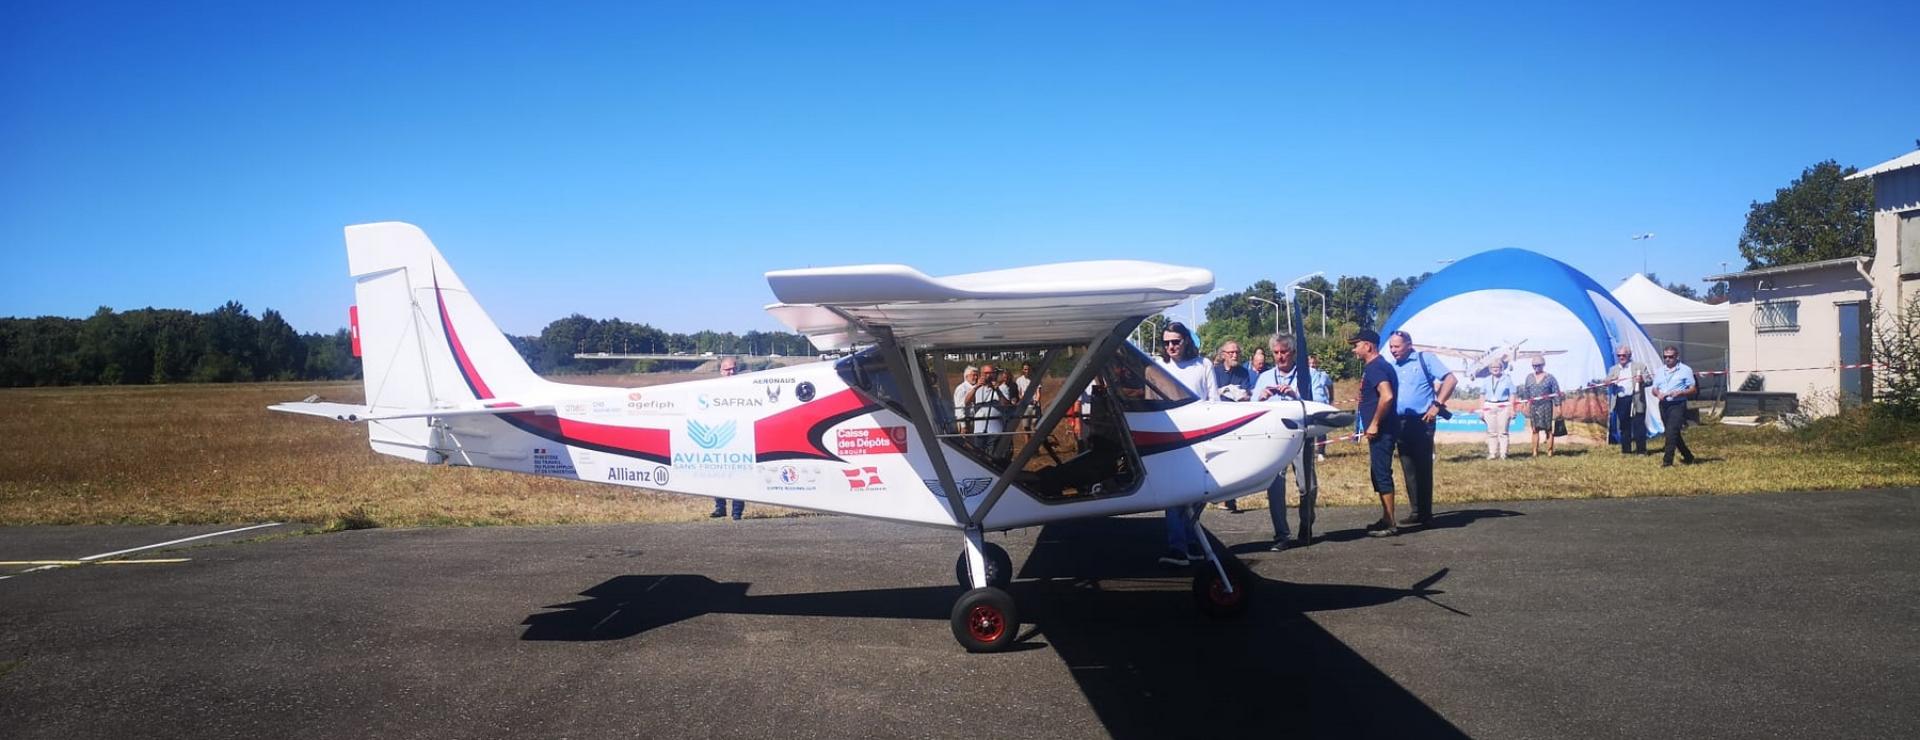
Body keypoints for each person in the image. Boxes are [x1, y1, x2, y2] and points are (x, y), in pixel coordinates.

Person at [1156, 321, 1216, 565]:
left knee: (1198, 494)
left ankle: (1191, 540)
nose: (1171, 347)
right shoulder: (1159, 367)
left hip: (1199, 438)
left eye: (1176, 342)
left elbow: (1214, 400)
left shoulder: (1203, 365)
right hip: (1170, 440)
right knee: (1174, 497)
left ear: (1186, 341)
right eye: (1167, 342)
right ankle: (1178, 547)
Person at [1385, 331, 1455, 529]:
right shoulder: (1392, 366)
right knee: (1408, 469)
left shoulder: (1425, 359)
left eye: (1396, 346)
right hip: (1400, 422)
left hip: (1422, 421)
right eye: (1391, 346)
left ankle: (1426, 513)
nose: (1393, 350)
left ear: (1408, 344)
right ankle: (1416, 512)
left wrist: (1437, 404)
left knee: (1423, 467)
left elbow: (1450, 380)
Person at [1252, 335, 1311, 546]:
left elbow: (1320, 404)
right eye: (1276, 353)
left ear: (1293, 353)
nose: (1279, 356)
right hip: (1275, 438)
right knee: (1275, 486)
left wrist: (1297, 396)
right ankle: (1281, 534)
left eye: (1284, 352)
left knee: (1307, 486)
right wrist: (1260, 398)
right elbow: (1252, 407)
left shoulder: (1307, 376)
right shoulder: (1265, 377)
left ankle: (1306, 526)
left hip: (1301, 435)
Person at [1350, 330, 1400, 537]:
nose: (1354, 349)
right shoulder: (1377, 366)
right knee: (1377, 473)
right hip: (1382, 429)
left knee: (1381, 473)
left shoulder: (1376, 367)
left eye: (1356, 345)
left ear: (1368, 346)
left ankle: (1390, 524)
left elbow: (1387, 396)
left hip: (1383, 430)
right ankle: (1386, 518)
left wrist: (1374, 424)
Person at [711, 357, 747, 520]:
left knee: (739, 475)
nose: (730, 372)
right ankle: (720, 507)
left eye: (733, 369)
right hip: (719, 437)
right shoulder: (712, 390)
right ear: (721, 371)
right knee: (717, 473)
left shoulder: (744, 389)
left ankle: (737, 512)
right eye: (727, 370)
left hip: (739, 437)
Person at [1652, 346, 1698, 467]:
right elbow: (1654, 389)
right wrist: (1658, 394)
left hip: (1677, 404)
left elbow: (1693, 389)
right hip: (1663, 404)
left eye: (1670, 357)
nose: (1668, 359)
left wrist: (1681, 393)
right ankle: (1688, 456)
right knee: (1672, 432)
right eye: (1665, 357)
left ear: (1677, 356)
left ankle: (1667, 461)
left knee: (1671, 432)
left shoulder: (1685, 370)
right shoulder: (1659, 371)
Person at [1607, 347, 1652, 455]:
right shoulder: (1613, 369)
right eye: (1619, 355)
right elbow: (1607, 381)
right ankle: (1626, 450)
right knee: (1624, 426)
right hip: (1621, 400)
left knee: (1638, 425)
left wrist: (1642, 380)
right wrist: (1610, 381)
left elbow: (1650, 381)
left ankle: (1641, 450)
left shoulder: (1639, 366)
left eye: (1623, 355)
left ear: (1629, 355)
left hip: (1636, 399)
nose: (1621, 357)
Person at [1517, 357, 1561, 457]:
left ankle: (1550, 452)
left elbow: (1556, 393)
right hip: (1534, 407)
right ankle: (1534, 452)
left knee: (1548, 430)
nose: (1536, 367)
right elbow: (1526, 392)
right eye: (1534, 365)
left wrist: (1558, 407)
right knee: (1534, 430)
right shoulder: (1529, 377)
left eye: (1538, 365)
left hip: (1546, 406)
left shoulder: (1550, 378)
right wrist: (1525, 404)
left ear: (1543, 365)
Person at [1480, 360, 1515, 460]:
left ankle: (1503, 454)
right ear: (1490, 369)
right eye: (1493, 367)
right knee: (1491, 432)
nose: (1495, 369)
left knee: (1503, 432)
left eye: (1497, 367)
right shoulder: (1486, 380)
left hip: (1503, 406)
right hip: (1489, 406)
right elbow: (1482, 395)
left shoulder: (1507, 379)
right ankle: (1492, 453)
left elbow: (1512, 394)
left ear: (1501, 368)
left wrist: (1512, 409)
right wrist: (1482, 410)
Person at [1307, 354, 1334, 461]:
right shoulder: (1304, 375)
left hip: (1322, 404)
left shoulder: (1323, 375)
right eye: (1310, 363)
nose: (1312, 365)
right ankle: (1309, 452)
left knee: (1321, 429)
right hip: (1309, 405)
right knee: (1310, 429)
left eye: (1313, 363)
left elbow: (1330, 385)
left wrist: (1331, 398)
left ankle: (1321, 452)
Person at [952, 365, 978, 434]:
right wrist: (963, 426)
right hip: (966, 421)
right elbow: (959, 407)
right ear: (966, 376)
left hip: (975, 420)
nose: (976, 377)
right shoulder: (961, 389)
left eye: (977, 375)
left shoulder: (976, 387)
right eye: (973, 375)